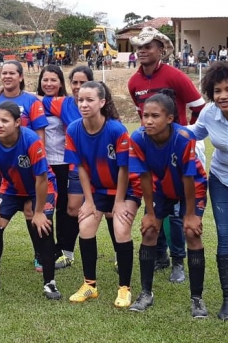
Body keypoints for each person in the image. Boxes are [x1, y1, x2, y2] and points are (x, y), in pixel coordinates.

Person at [128, 27, 206, 283]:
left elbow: (199, 107)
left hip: (180, 149)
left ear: (161, 49)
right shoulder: (133, 82)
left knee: (177, 212)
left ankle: (178, 262)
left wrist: (184, 133)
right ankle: (159, 255)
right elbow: (143, 117)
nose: (142, 50)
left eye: (148, 46)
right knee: (155, 204)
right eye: (139, 46)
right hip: (152, 150)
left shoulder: (175, 75)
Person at [0, 100, 61, 300]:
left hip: (40, 188)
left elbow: (42, 179)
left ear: (18, 122)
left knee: (43, 228)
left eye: (5, 121)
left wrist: (37, 212)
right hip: (10, 189)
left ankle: (50, 283)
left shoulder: (31, 140)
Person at [128, 91, 208, 318]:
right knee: (150, 230)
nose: (148, 121)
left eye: (155, 116)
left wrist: (191, 214)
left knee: (192, 233)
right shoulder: (138, 138)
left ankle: (197, 299)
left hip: (190, 187)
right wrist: (151, 213)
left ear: (170, 118)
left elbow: (188, 178)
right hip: (161, 188)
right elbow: (143, 176)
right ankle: (145, 293)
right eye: (145, 116)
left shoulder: (183, 137)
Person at [64, 81, 140, 306]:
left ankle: (124, 288)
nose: (84, 104)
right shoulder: (74, 129)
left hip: (125, 188)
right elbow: (81, 169)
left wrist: (118, 203)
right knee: (85, 226)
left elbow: (125, 169)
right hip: (98, 189)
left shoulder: (116, 129)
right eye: (80, 100)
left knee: (120, 228)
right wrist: (88, 201)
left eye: (90, 100)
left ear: (102, 102)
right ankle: (90, 285)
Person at [0, 60, 48, 272]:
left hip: (29, 163)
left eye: (12, 73)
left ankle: (40, 255)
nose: (7, 76)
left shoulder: (31, 101)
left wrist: (38, 159)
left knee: (32, 211)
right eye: (4, 73)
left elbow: (39, 133)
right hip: (3, 166)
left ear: (21, 76)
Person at [188, 61, 228, 320]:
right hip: (222, 178)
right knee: (226, 236)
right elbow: (195, 132)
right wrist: (166, 130)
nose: (223, 95)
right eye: (218, 90)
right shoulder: (209, 112)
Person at [40, 65, 93, 269]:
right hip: (75, 166)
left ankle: (118, 254)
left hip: (98, 165)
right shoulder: (64, 103)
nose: (78, 87)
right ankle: (66, 252)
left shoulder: (100, 103)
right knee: (71, 208)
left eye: (83, 82)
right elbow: (33, 98)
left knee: (109, 210)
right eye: (75, 83)